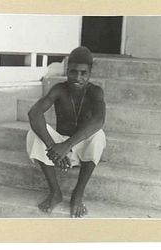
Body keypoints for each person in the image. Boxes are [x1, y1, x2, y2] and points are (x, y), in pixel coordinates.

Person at [26, 46, 106, 218]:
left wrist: (66, 146)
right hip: (57, 149)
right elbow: (34, 113)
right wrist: (54, 147)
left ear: (90, 73)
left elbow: (99, 120)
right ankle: (55, 192)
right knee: (33, 133)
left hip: (79, 147)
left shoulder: (95, 91)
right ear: (67, 70)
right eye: (73, 72)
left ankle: (78, 194)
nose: (78, 77)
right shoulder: (59, 89)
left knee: (98, 135)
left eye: (83, 73)